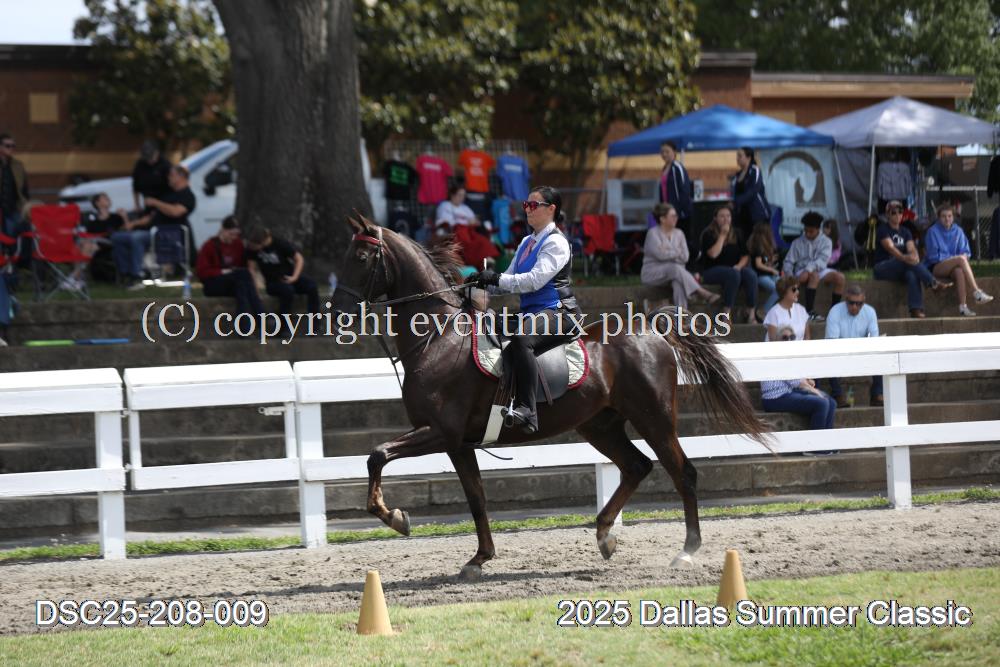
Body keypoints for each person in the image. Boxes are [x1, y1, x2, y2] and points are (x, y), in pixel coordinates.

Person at [466, 185, 581, 434]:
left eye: (533, 205)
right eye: (526, 205)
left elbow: (533, 281)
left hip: (559, 312)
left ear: (551, 209)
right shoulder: (527, 242)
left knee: (522, 339)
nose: (527, 210)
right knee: (487, 324)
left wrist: (495, 278)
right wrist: (480, 283)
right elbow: (509, 280)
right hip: (532, 313)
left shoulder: (556, 242)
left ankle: (528, 410)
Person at [111, 165, 196, 288]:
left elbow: (175, 211)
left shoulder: (187, 195)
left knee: (137, 238)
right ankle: (125, 273)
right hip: (153, 231)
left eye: (171, 175)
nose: (168, 178)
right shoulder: (168, 195)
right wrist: (132, 224)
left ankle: (137, 276)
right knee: (117, 237)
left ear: (181, 177)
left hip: (170, 235)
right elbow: (151, 217)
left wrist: (156, 202)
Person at [760, 326, 838, 443]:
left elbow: (796, 378)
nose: (789, 340)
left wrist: (807, 381)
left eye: (792, 337)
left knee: (831, 402)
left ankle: (827, 444)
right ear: (777, 340)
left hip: (786, 393)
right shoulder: (777, 355)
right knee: (821, 403)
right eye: (785, 338)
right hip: (774, 398)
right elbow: (795, 381)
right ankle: (816, 447)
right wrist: (812, 389)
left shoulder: (788, 356)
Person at [873, 200, 947, 319]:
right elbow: (890, 248)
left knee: (912, 274)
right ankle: (933, 283)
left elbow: (911, 249)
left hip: (902, 267)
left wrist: (913, 257)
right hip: (882, 267)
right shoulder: (883, 229)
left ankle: (915, 309)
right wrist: (905, 258)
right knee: (906, 262)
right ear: (887, 215)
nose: (897, 215)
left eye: (900, 212)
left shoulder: (905, 231)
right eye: (893, 212)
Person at [641, 203, 719, 308]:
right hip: (654, 274)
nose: (676, 218)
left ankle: (681, 315)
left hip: (675, 273)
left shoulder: (679, 233)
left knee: (678, 282)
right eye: (672, 216)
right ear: (662, 219)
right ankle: (702, 292)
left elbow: (685, 257)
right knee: (675, 268)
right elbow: (661, 255)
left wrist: (668, 250)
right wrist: (677, 251)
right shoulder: (653, 234)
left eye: (676, 215)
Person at [923, 204, 993, 317]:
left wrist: (956, 260)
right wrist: (954, 259)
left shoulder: (958, 231)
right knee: (960, 259)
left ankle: (963, 307)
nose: (947, 219)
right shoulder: (932, 231)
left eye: (949, 216)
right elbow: (933, 257)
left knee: (959, 271)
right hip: (936, 267)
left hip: (955, 265)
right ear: (939, 218)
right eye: (943, 216)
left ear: (953, 217)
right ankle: (977, 292)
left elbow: (966, 252)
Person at [825, 284, 883, 408]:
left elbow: (874, 339)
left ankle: (877, 395)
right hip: (839, 353)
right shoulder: (835, 311)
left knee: (880, 354)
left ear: (864, 302)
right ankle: (837, 395)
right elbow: (832, 343)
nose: (855, 306)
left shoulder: (870, 312)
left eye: (859, 303)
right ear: (846, 300)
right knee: (829, 355)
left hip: (862, 352)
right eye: (851, 303)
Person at [699, 204, 758, 323]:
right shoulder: (708, 233)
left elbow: (745, 255)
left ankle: (751, 312)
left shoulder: (737, 232)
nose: (726, 219)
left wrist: (739, 266)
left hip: (733, 270)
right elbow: (713, 254)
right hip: (711, 270)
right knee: (733, 274)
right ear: (715, 218)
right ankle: (725, 313)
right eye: (722, 216)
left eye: (728, 216)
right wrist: (722, 235)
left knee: (750, 274)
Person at [196, 215, 264, 319]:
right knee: (242, 277)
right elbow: (202, 272)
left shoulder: (238, 244)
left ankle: (245, 324)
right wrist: (224, 271)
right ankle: (261, 317)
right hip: (214, 283)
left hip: (235, 282)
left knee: (242, 287)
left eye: (236, 234)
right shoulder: (209, 245)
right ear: (223, 230)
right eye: (231, 234)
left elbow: (244, 267)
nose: (233, 237)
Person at [782, 211, 845, 321]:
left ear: (818, 229)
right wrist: (790, 276)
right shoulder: (797, 242)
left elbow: (822, 261)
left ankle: (834, 312)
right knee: (814, 276)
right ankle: (809, 312)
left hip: (819, 269)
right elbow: (788, 261)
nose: (807, 234)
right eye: (805, 231)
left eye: (811, 231)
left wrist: (808, 270)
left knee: (840, 278)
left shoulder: (826, 241)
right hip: (801, 270)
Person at [245, 227, 320, 315]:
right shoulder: (252, 250)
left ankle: (314, 319)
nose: (252, 247)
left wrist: (295, 277)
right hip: (273, 282)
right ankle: (284, 320)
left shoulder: (279, 243)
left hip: (289, 277)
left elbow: (299, 258)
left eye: (254, 246)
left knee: (312, 286)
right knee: (287, 291)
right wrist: (256, 292)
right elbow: (251, 270)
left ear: (263, 242)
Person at [0, 132, 31, 263]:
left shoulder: (18, 165)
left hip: (14, 209)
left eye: (13, 146)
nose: (11, 148)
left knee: (16, 239)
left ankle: (15, 267)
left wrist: (26, 206)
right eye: (8, 145)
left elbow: (24, 189)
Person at [731, 146, 771, 239]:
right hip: (743, 216)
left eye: (740, 156)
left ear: (748, 157)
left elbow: (753, 190)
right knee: (745, 241)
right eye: (737, 156)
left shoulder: (755, 170)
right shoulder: (737, 175)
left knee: (759, 241)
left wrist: (736, 202)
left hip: (757, 214)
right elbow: (735, 193)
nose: (737, 158)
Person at [763, 276, 811, 342]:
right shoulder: (773, 312)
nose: (797, 292)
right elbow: (773, 341)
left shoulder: (802, 310)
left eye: (798, 289)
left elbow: (807, 337)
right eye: (794, 289)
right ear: (784, 292)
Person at [747, 222, 780, 315]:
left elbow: (763, 261)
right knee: (777, 290)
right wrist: (772, 270)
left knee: (785, 287)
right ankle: (764, 311)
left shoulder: (766, 247)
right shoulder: (757, 247)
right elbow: (758, 265)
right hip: (761, 276)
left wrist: (770, 262)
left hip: (769, 275)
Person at [131, 139, 172, 211]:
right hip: (148, 203)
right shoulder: (140, 164)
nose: (149, 160)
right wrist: (137, 205)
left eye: (151, 157)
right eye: (147, 158)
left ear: (157, 152)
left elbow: (173, 185)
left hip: (165, 203)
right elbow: (135, 186)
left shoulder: (165, 165)